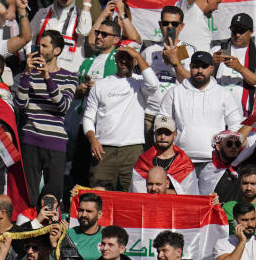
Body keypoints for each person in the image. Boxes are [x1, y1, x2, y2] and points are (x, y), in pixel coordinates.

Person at [83, 46, 159, 189]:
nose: (124, 61)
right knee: (99, 195)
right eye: (121, 57)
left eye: (129, 57)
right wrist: (92, 139)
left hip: (133, 148)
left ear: (136, 61)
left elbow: (154, 84)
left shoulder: (140, 83)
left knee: (134, 195)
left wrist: (136, 54)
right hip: (103, 148)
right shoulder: (100, 85)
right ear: (116, 59)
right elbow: (88, 117)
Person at [15, 29, 77, 203]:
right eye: (39, 45)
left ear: (56, 50)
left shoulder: (69, 77)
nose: (39, 49)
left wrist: (47, 78)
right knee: (28, 194)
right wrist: (26, 73)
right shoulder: (29, 74)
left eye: (44, 45)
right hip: (30, 139)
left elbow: (63, 106)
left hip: (55, 141)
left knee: (53, 194)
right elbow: (20, 104)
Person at [159, 50, 244, 166]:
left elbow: (236, 123)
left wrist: (224, 147)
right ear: (190, 67)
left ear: (212, 69)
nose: (200, 70)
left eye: (204, 67)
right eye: (196, 66)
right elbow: (162, 120)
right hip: (182, 158)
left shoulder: (223, 93)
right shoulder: (175, 92)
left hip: (214, 160)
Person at [130, 115, 197, 194]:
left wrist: (160, 192)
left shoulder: (184, 164)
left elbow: (190, 195)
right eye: (159, 133)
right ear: (154, 134)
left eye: (167, 133)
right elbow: (137, 192)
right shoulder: (143, 161)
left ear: (175, 134)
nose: (162, 137)